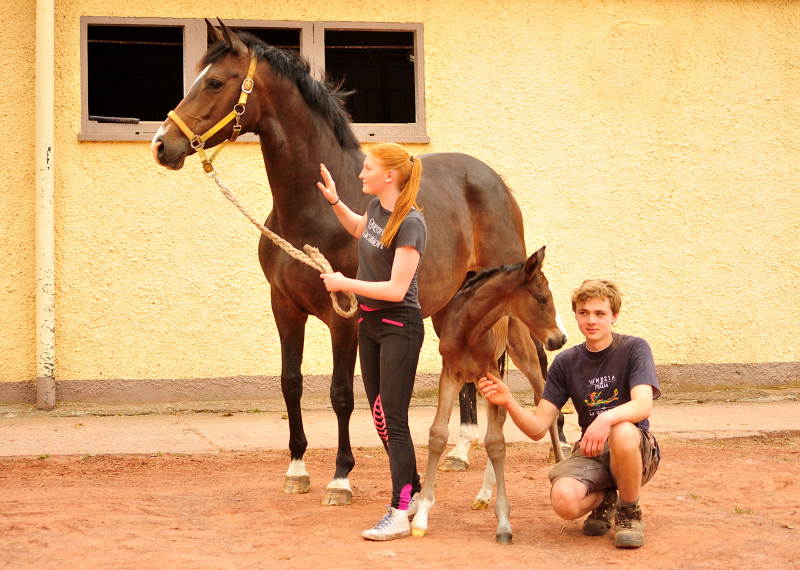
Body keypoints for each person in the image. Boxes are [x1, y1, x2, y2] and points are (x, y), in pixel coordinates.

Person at [478, 279, 660, 548]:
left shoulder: (634, 349)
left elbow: (643, 405)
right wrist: (508, 401)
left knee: (621, 429)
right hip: (593, 452)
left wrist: (605, 419)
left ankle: (629, 510)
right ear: (575, 315)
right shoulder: (566, 362)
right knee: (563, 501)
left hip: (635, 450)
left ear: (614, 316)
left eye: (600, 313)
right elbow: (538, 427)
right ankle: (607, 497)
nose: (591, 320)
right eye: (583, 313)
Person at [317, 143, 426, 541]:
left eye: (368, 169)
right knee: (380, 416)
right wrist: (335, 202)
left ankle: (399, 512)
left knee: (393, 420)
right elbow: (361, 231)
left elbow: (397, 289)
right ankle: (411, 489)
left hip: (400, 326)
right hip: (371, 325)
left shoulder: (412, 223)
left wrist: (346, 283)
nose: (361, 174)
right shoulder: (378, 211)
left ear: (389, 177)